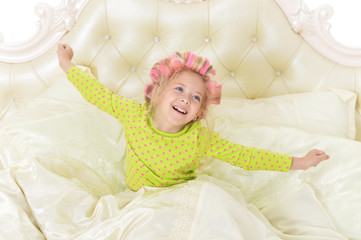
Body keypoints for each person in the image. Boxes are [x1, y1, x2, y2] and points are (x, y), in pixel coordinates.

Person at [57, 43, 330, 191]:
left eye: (196, 97)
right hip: (139, 201)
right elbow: (97, 94)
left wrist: (299, 162)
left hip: (179, 198)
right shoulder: (133, 114)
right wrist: (67, 64)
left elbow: (244, 156)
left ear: (199, 113)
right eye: (179, 89)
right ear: (157, 92)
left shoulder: (199, 139)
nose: (186, 99)